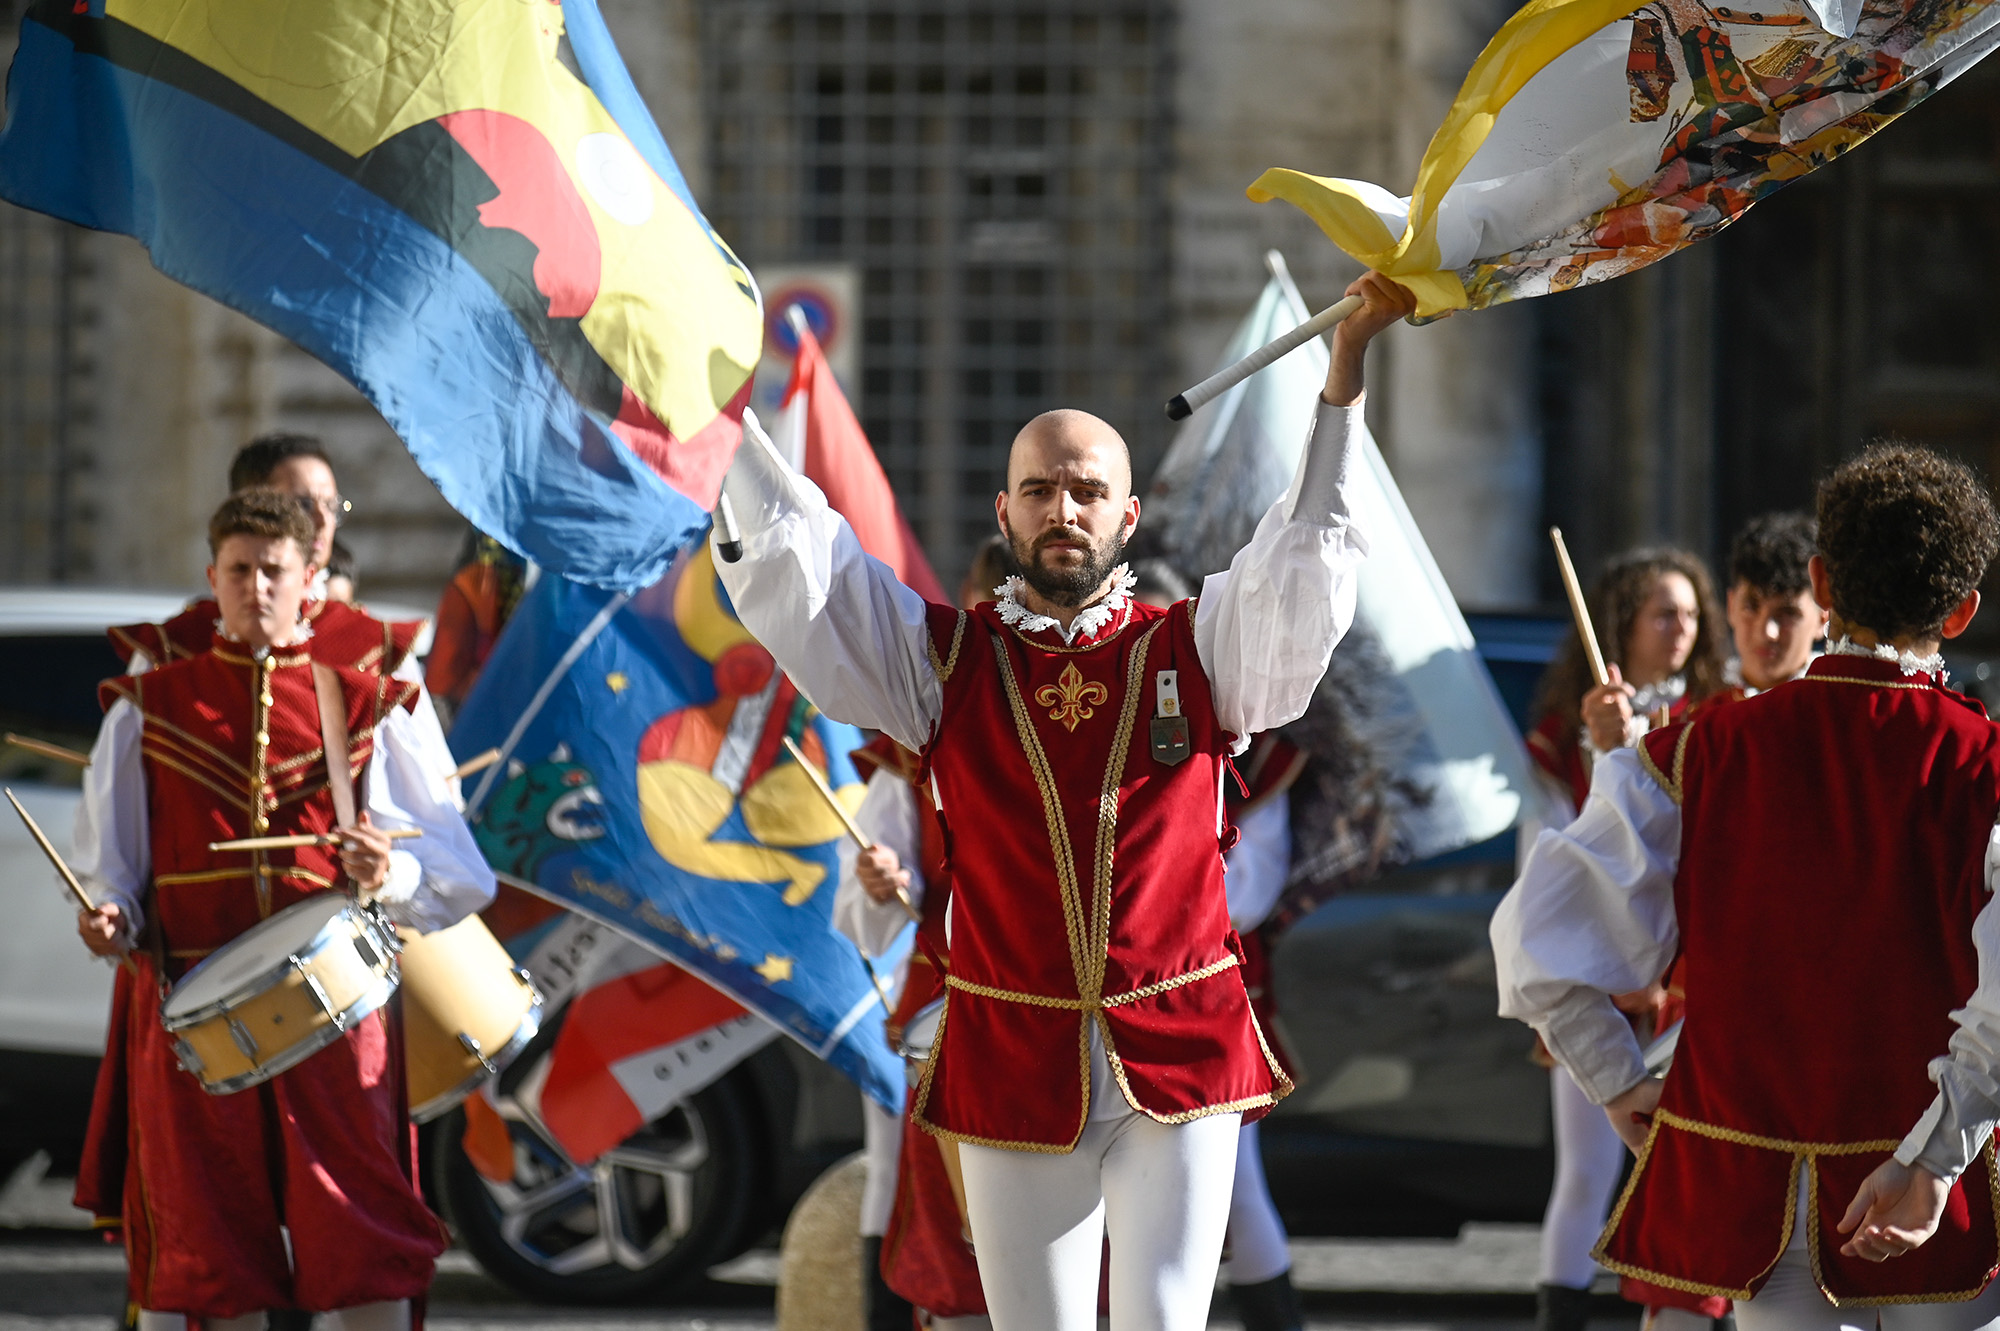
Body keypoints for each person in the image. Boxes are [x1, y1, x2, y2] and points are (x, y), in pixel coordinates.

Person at [719, 268, 1409, 1329]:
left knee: (1161, 1319)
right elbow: (805, 571)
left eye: (1085, 490)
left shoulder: (1199, 647)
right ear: (1004, 511)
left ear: (1126, 514)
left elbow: (1305, 557)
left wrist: (1343, 379)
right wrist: (722, 422)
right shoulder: (940, 660)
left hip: (1177, 1035)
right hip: (1009, 1044)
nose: (1063, 510)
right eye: (1039, 490)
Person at [1493, 442, 2000, 1331]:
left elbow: (1536, 937)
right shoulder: (1980, 764)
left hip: (1757, 1179)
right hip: (1935, 1184)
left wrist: (1615, 1077)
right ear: (1962, 612)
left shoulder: (1697, 751)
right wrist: (1932, 1159)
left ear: (1821, 584)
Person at [71, 489, 497, 1329]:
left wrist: (391, 870)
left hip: (338, 1021)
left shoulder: (371, 705)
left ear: (311, 581)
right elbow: (111, 870)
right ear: (213, 578)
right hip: (194, 1024)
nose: (255, 587)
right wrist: (109, 917)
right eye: (239, 570)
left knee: (361, 1240)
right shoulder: (146, 710)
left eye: (274, 570)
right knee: (206, 1252)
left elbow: (463, 876)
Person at [1523, 547, 1726, 1331]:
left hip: (1692, 982)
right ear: (1625, 625)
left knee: (1697, 1172)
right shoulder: (1565, 734)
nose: (1682, 629)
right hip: (1597, 979)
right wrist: (1606, 752)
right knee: (1587, 1170)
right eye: (1663, 613)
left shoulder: (1720, 719)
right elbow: (1552, 857)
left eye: (1691, 614)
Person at [835, 535, 1013, 1331]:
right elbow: (869, 903)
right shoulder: (917, 738)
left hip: (1069, 1018)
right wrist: (887, 882)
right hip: (950, 1017)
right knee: (948, 1241)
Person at [1132, 557, 1305, 1331]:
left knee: (1231, 1180)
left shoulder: (1247, 745)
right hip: (1095, 990)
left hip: (1200, 985)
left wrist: (1167, 875)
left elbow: (1253, 886)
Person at [1679, 512, 1827, 720]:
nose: (1768, 632)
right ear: (1731, 606)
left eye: (1787, 613)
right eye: (1751, 607)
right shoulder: (1695, 712)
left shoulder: (1836, 709)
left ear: (1823, 618)